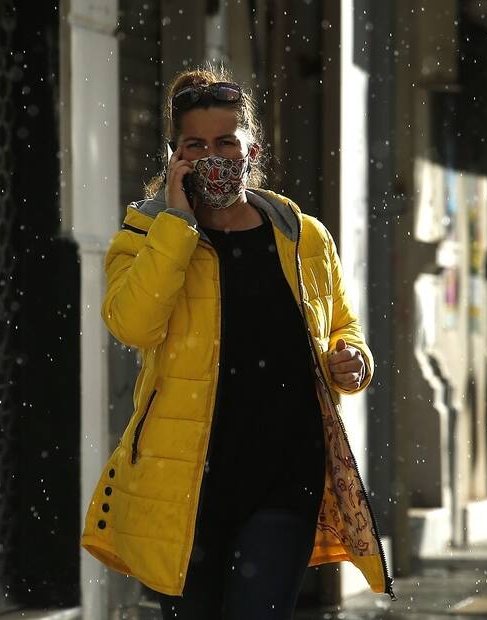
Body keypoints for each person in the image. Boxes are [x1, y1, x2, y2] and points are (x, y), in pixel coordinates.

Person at [79, 66, 394, 618]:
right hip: (183, 484)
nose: (213, 157)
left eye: (226, 142)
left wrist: (354, 361)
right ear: (174, 158)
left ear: (252, 150)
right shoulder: (144, 235)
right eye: (195, 146)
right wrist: (178, 224)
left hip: (284, 473)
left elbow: (342, 325)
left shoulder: (301, 236)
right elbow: (133, 325)